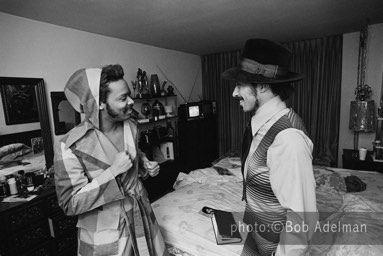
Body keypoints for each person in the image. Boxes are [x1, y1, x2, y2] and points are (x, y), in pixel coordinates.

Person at [54, 64, 170, 256]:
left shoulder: (131, 126)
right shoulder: (69, 147)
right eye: (123, 98)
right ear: (99, 103)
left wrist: (144, 164)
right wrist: (113, 172)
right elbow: (70, 203)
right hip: (105, 233)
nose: (132, 101)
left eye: (129, 95)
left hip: (141, 215)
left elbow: (134, 155)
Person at [222, 39, 318, 256]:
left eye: (240, 84)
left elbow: (301, 221)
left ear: (263, 86)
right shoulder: (261, 124)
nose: (234, 93)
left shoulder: (288, 138)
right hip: (257, 238)